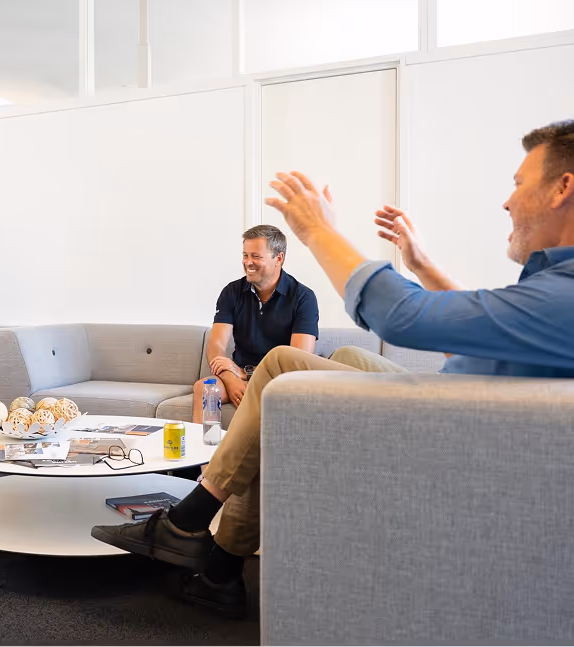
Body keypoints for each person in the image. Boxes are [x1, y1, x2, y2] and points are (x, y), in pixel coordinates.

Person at [91, 120, 574, 617]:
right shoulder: (552, 290)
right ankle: (218, 571)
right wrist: (423, 265)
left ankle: (189, 522)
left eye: (518, 183)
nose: (507, 201)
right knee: (335, 365)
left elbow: (398, 315)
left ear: (562, 188)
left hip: (447, 427)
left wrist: (317, 229)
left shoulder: (562, 296)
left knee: (280, 368)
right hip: (455, 401)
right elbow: (468, 335)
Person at [192, 224, 318, 424]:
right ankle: (204, 453)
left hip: (279, 378)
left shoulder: (303, 297)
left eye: (256, 256)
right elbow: (216, 345)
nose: (248, 262)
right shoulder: (231, 292)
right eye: (245, 255)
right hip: (238, 375)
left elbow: (298, 360)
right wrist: (230, 378)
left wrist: (245, 373)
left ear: (279, 258)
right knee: (205, 388)